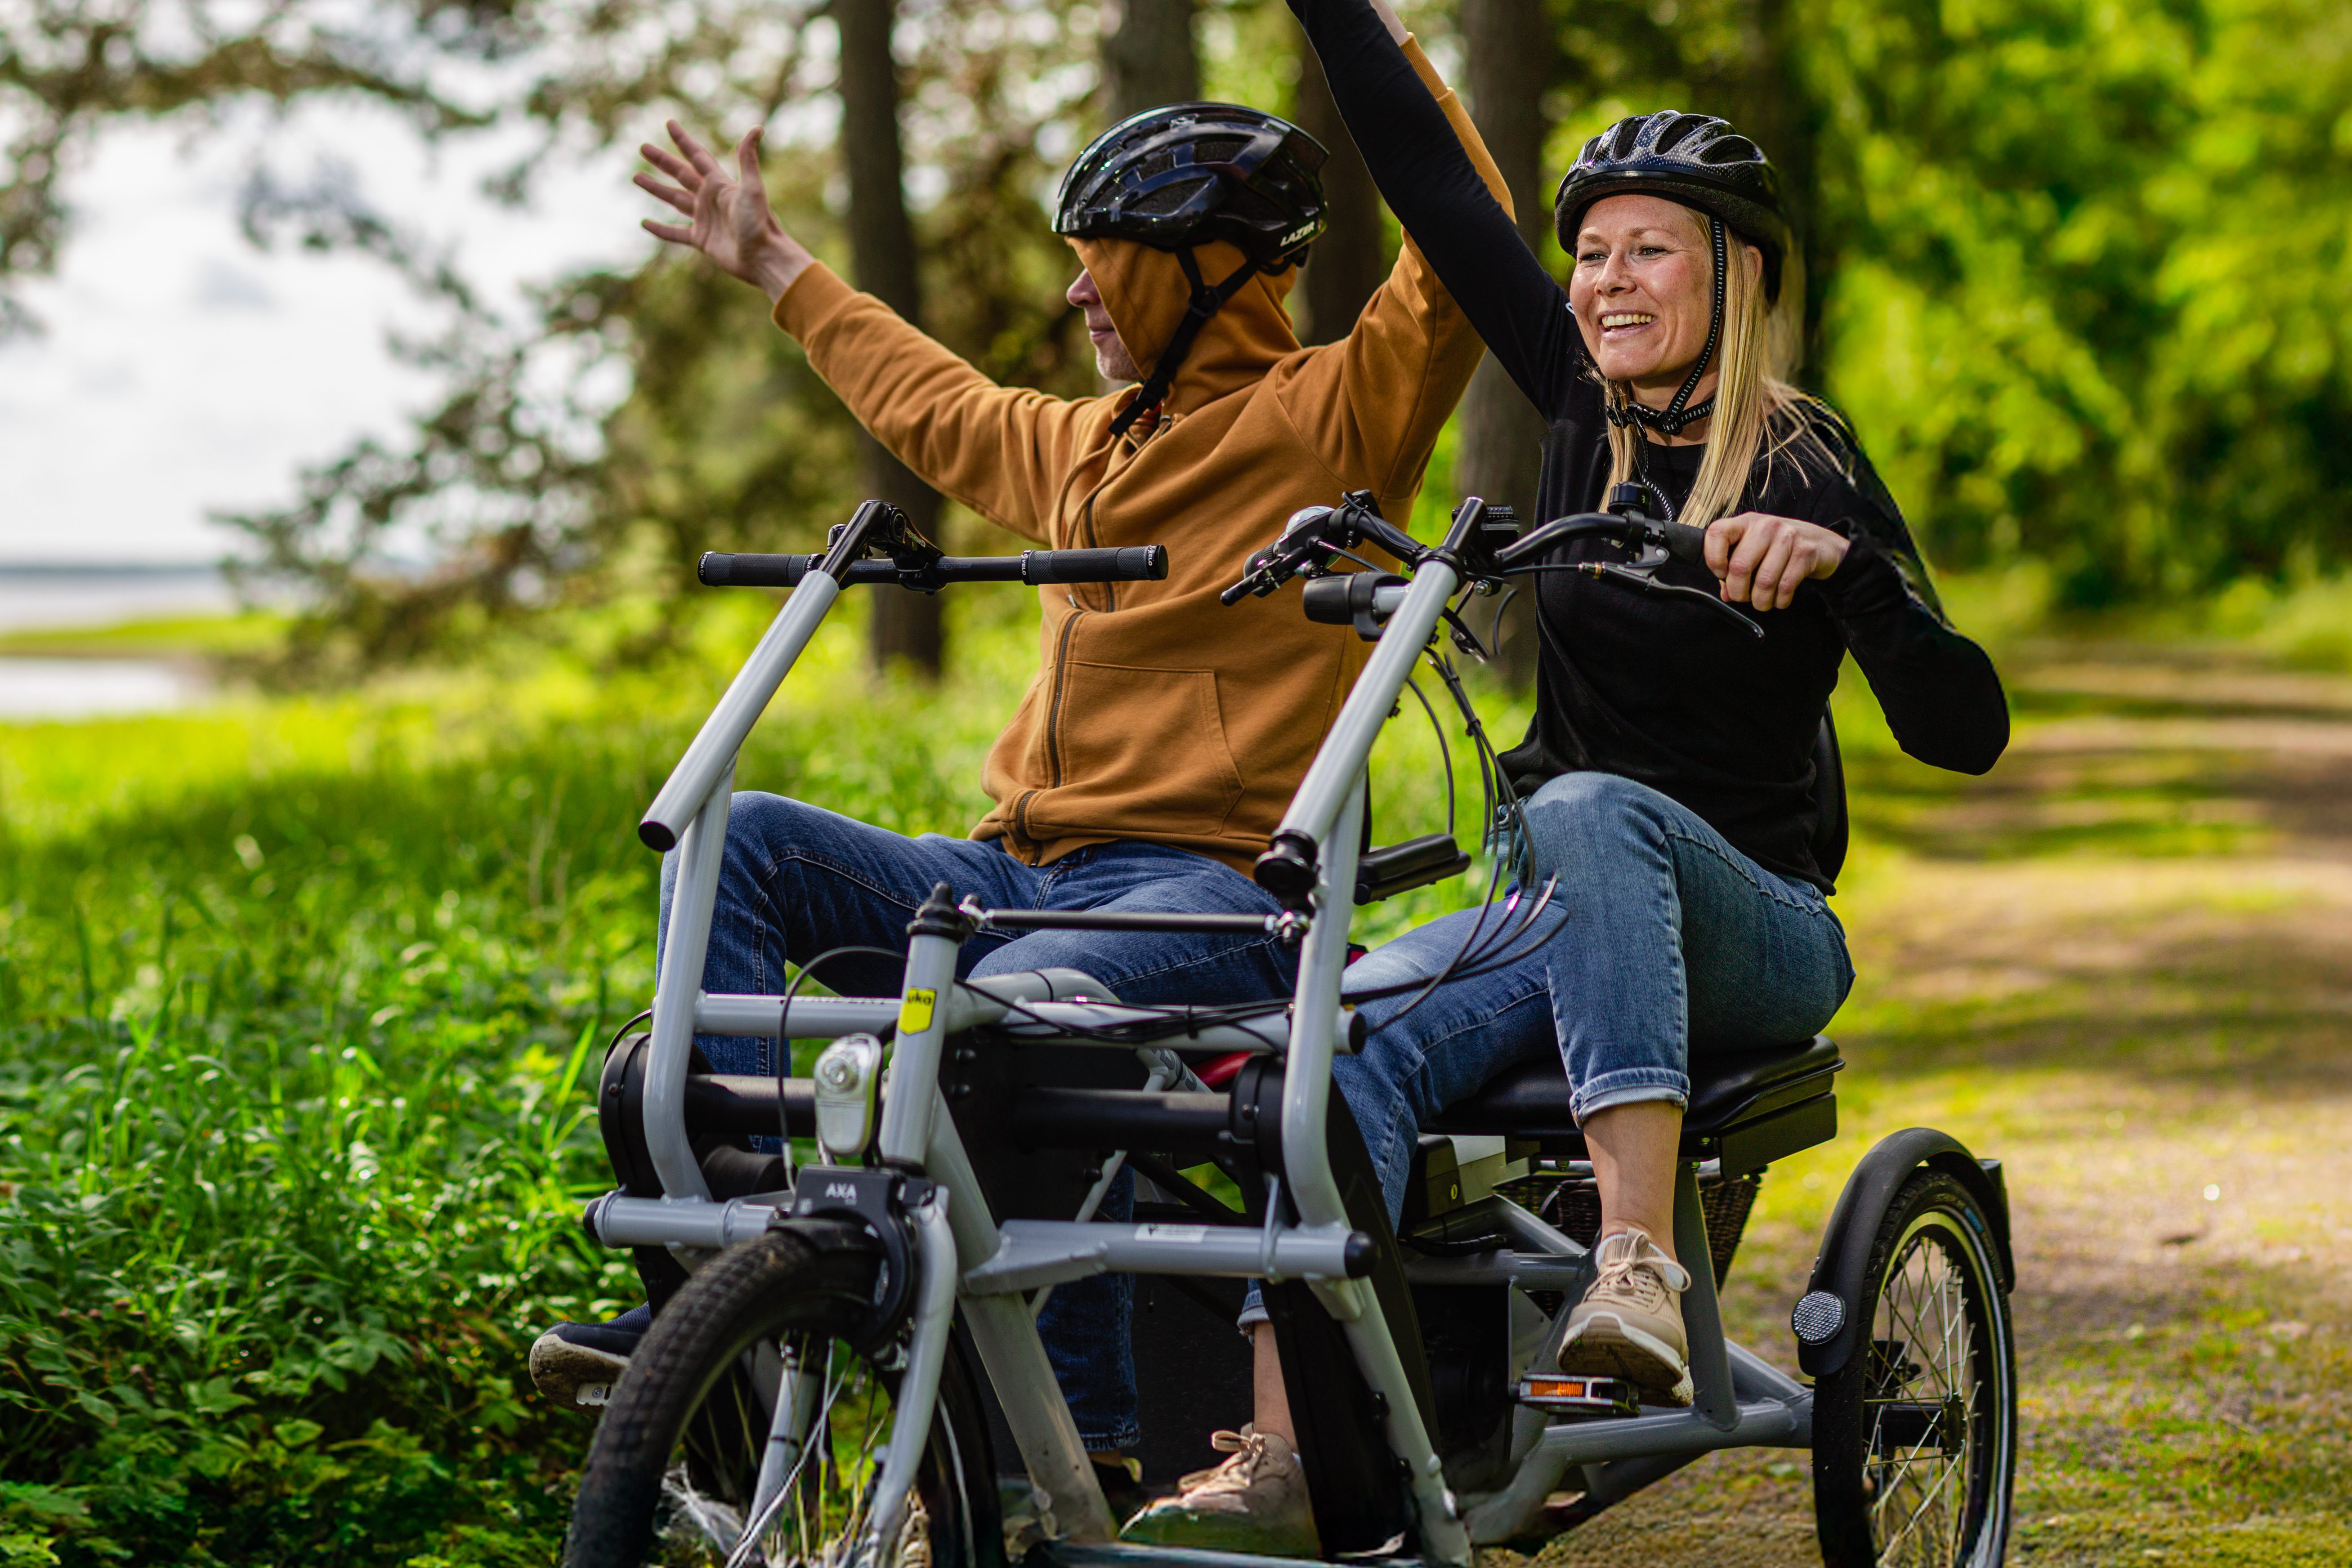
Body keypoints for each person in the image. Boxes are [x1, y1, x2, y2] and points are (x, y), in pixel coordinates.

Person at [528, 73, 1512, 1514]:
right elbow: (938, 404)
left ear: (1204, 268)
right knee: (733, 848)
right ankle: (749, 1281)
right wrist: (777, 267)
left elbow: (1464, 226)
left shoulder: (1332, 417)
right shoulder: (1089, 449)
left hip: (1215, 894)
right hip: (1020, 874)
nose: (1076, 292)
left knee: (1005, 1013)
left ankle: (1077, 1440)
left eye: (1102, 257)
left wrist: (1374, 39)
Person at [1108, 0, 2013, 1553]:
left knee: (1590, 811)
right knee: (1328, 1043)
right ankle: (1287, 1454)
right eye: (1592, 255)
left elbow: (1966, 729)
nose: (1605, 282)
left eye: (1648, 251)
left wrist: (1851, 575)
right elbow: (1437, 192)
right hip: (1555, 915)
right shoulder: (1578, 414)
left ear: (1733, 273)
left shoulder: (1803, 459)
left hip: (1761, 929)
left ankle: (1639, 1265)